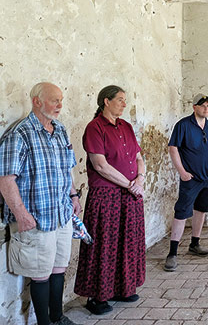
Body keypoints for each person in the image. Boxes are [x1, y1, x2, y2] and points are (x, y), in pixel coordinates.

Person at [0, 82, 80, 325]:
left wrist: (74, 196)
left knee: (58, 268)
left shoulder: (60, 130)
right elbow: (5, 179)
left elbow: (67, 169)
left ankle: (57, 317)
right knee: (40, 275)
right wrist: (21, 214)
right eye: (54, 100)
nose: (59, 105)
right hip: (36, 217)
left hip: (61, 214)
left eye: (61, 100)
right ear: (37, 101)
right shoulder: (19, 134)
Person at [74, 85, 146, 316]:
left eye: (125, 100)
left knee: (127, 242)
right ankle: (97, 296)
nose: (125, 104)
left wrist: (141, 179)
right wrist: (129, 184)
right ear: (106, 101)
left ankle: (122, 288)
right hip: (107, 196)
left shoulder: (126, 126)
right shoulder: (95, 128)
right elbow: (100, 165)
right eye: (120, 100)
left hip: (130, 194)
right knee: (104, 245)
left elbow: (138, 157)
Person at [164, 94, 208, 272]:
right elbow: (173, 149)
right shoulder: (183, 125)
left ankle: (194, 243)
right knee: (181, 212)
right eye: (202, 105)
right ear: (194, 107)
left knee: (202, 209)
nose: (206, 108)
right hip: (190, 178)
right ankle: (172, 253)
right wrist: (182, 172)